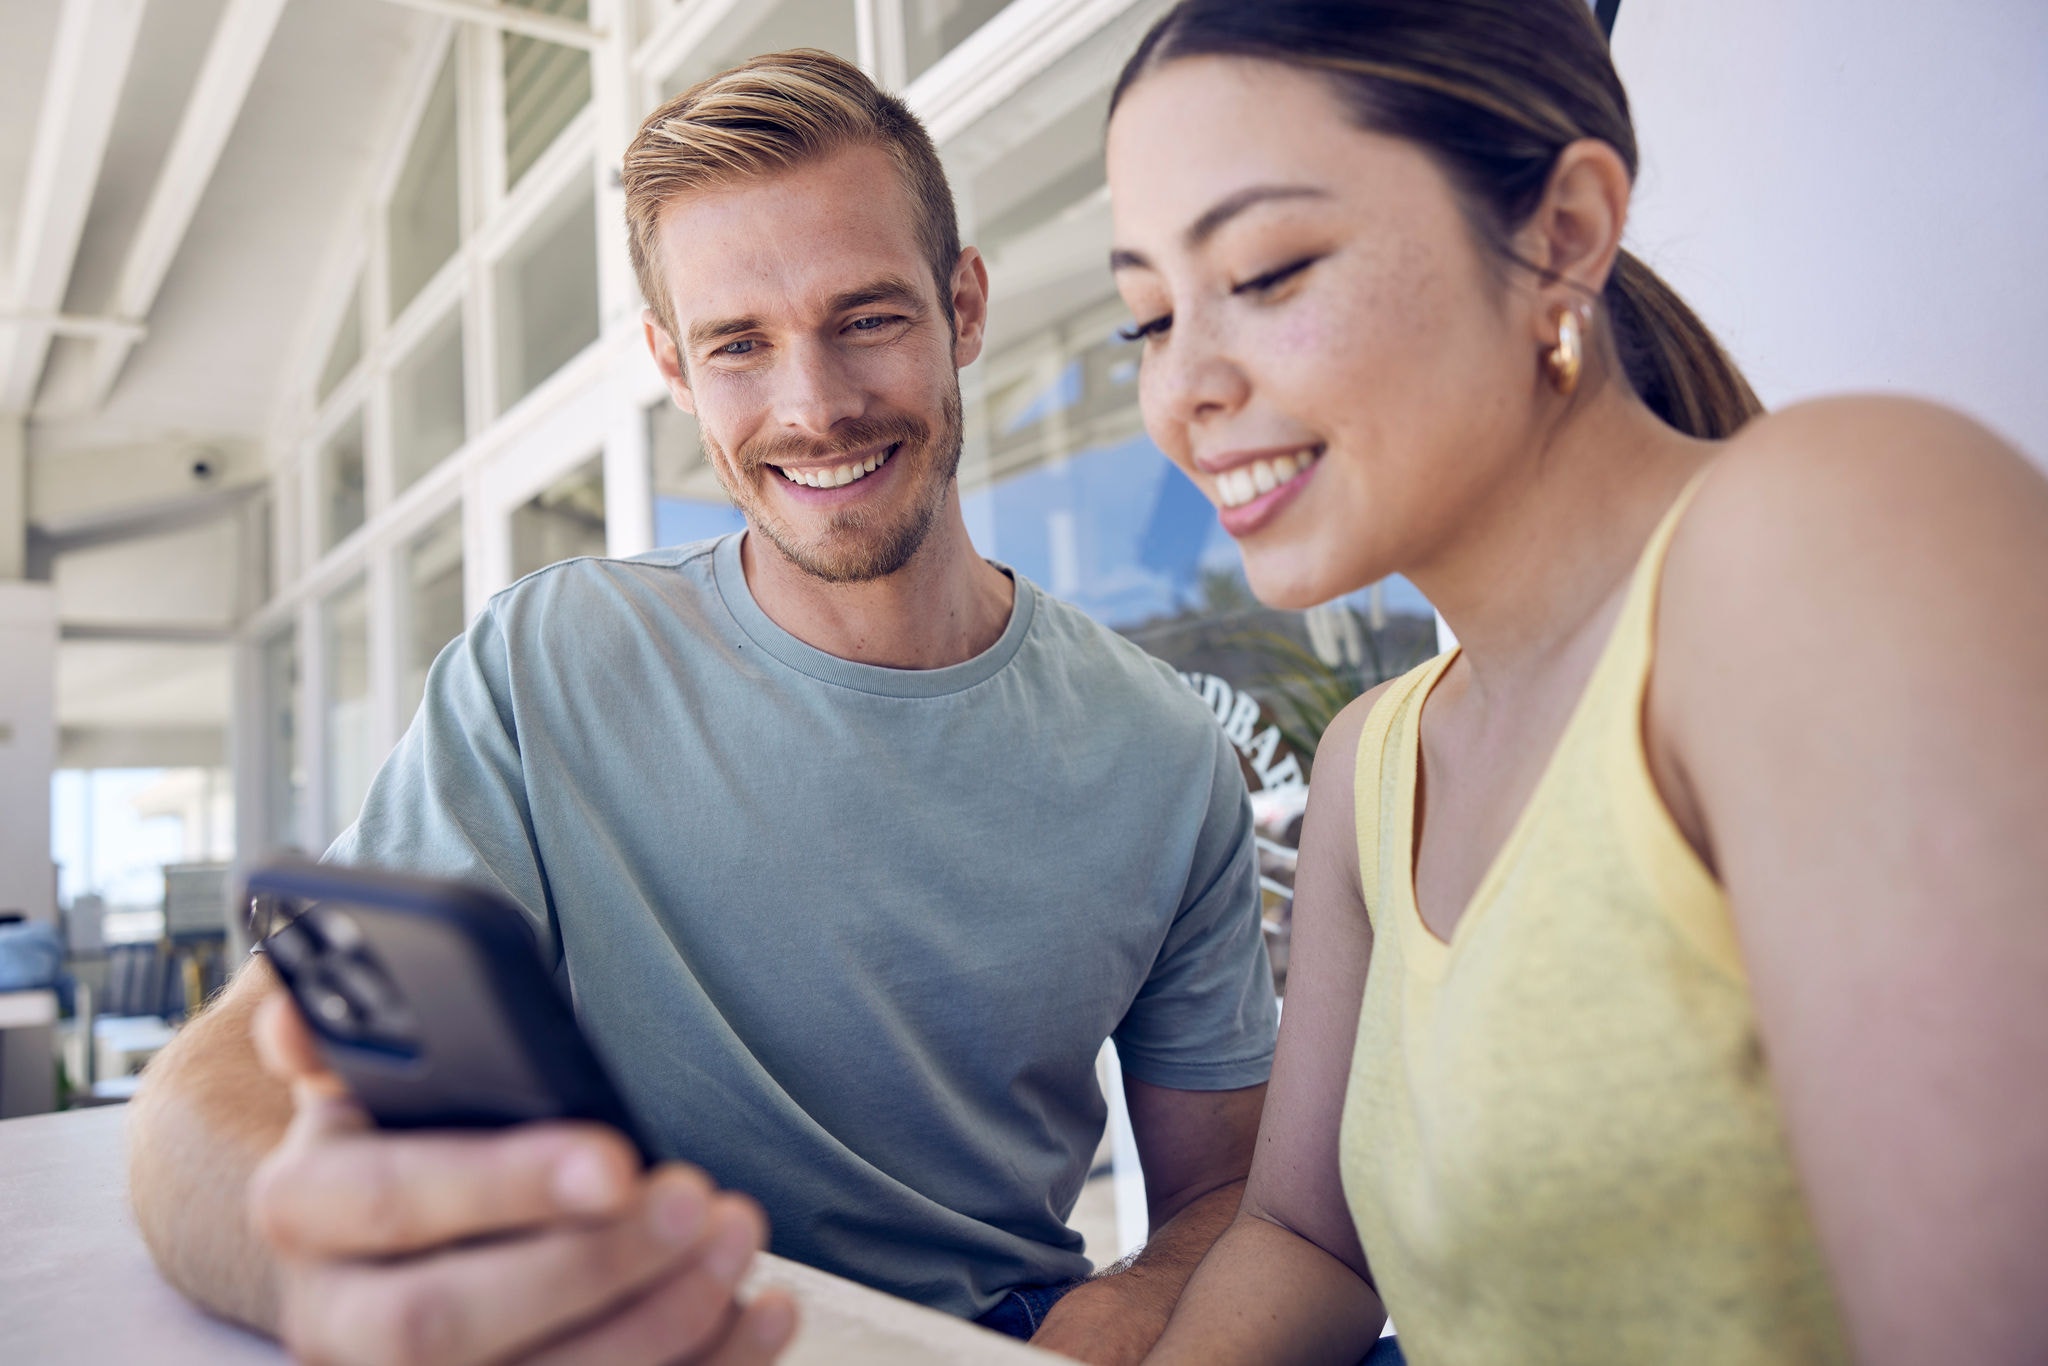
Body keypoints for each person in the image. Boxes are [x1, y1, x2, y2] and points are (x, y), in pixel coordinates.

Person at [128, 51, 1278, 1366]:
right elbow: (222, 1090)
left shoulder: (1163, 752)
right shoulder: (547, 662)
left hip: (991, 1338)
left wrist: (1125, 1312)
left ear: (964, 307)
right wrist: (344, 1280)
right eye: (741, 344)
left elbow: (1225, 1198)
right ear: (675, 367)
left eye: (868, 318)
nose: (813, 404)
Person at [1099, 2, 2048, 1363]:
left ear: (1565, 231)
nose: (1181, 386)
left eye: (1268, 269)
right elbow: (1309, 1236)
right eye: (1145, 319)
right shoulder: (1379, 756)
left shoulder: (1825, 539)